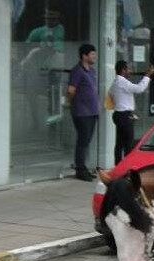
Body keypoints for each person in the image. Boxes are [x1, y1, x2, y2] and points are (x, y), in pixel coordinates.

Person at [108, 61, 154, 164]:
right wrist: (147, 76)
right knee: (128, 145)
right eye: (128, 69)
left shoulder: (115, 82)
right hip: (125, 115)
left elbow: (110, 94)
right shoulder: (123, 82)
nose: (130, 71)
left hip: (118, 114)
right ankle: (127, 168)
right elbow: (139, 89)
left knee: (119, 143)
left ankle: (118, 166)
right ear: (123, 70)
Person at [67, 43, 99, 181]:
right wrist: (71, 103)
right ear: (84, 56)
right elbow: (71, 90)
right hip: (81, 112)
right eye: (92, 54)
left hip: (92, 112)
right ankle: (80, 169)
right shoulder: (77, 71)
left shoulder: (91, 71)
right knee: (82, 141)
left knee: (87, 141)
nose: (94, 57)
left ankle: (83, 167)